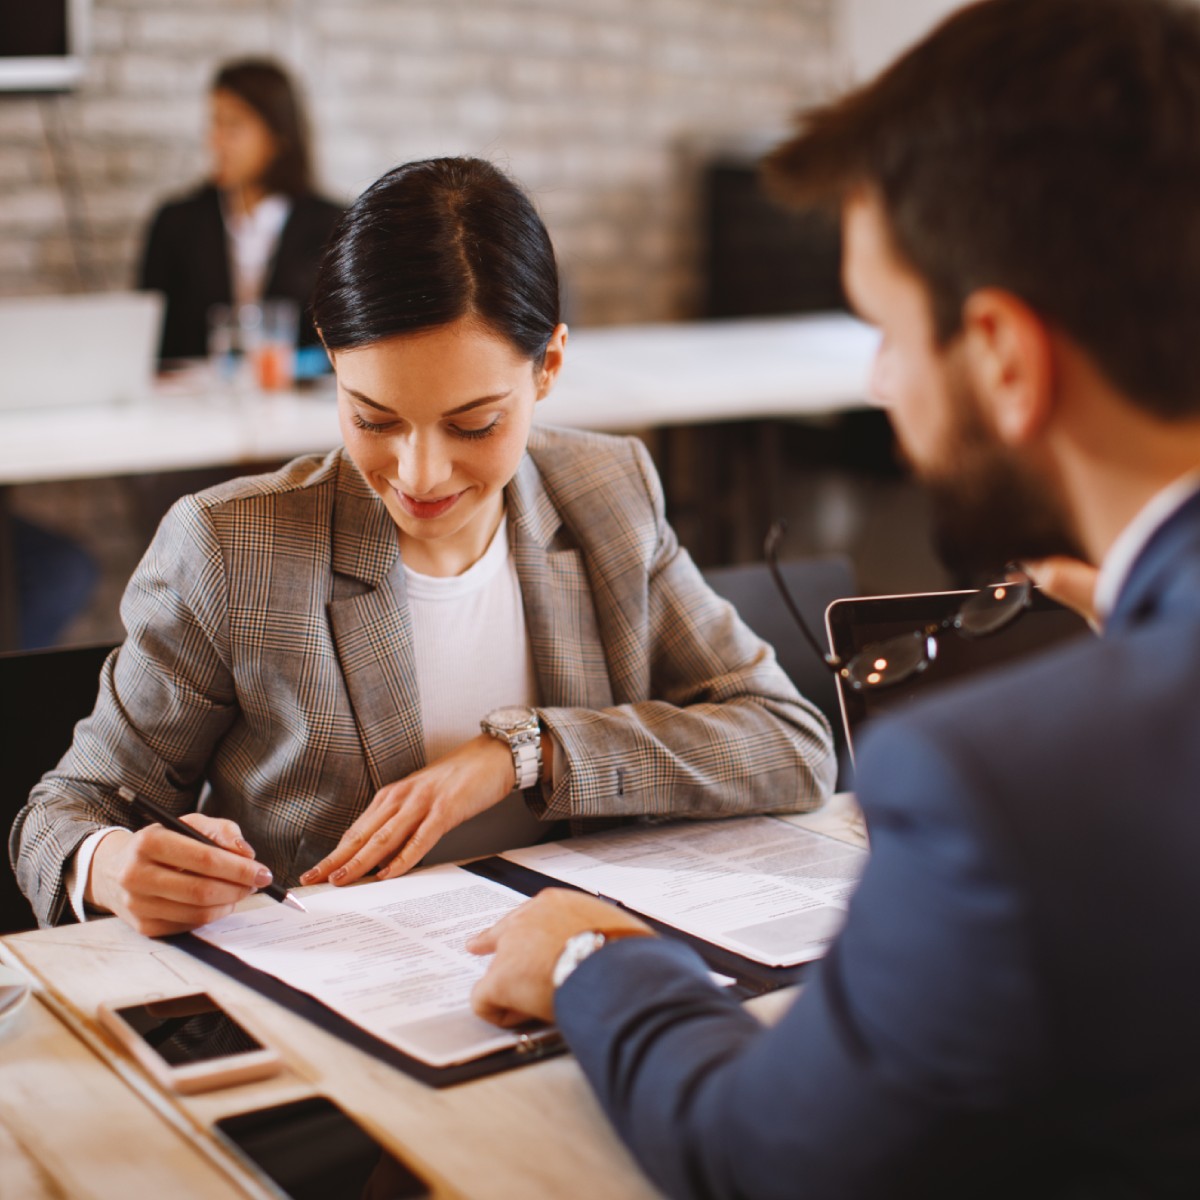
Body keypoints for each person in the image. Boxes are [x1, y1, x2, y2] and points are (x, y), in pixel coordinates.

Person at [467, 1, 1200, 1196]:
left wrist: (596, 962)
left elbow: (761, 1157)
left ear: (1006, 360)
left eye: (887, 331)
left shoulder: (1006, 789)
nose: (879, 382)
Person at [10, 156, 836, 936]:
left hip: (569, 979)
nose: (419, 473)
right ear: (331, 357)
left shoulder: (608, 492)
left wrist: (528, 752)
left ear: (547, 365)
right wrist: (111, 866)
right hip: (336, 1000)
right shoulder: (234, 547)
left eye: (473, 423)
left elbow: (792, 744)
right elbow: (64, 814)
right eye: (373, 419)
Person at [138, 58, 342, 364]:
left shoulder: (333, 225)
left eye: (233, 126)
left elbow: (348, 343)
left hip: (298, 405)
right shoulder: (176, 223)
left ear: (277, 136)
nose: (215, 141)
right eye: (214, 123)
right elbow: (148, 340)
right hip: (190, 405)